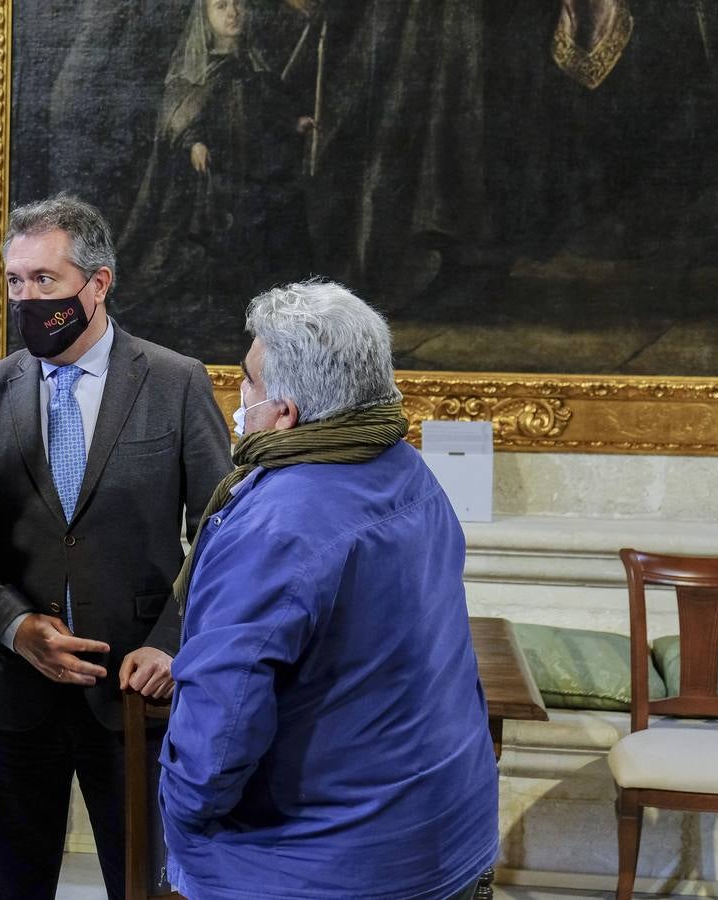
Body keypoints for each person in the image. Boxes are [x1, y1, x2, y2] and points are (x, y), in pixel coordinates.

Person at [0, 193, 233, 899]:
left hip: (136, 692)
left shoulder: (176, 382)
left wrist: (171, 643)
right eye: (14, 281)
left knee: (146, 884)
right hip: (19, 689)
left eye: (45, 280)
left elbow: (222, 532)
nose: (26, 297)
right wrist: (14, 626)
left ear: (97, 285)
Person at [158, 279, 498, 900]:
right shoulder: (408, 468)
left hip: (320, 861)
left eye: (251, 382)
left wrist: (179, 816)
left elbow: (220, 730)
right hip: (445, 827)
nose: (241, 397)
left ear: (285, 413)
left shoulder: (276, 524)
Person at [115, 0, 313, 362]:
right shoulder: (192, 71)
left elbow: (269, 114)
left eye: (239, 5)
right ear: (205, 17)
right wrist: (193, 141)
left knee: (257, 245)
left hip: (251, 178)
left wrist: (293, 124)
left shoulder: (255, 67)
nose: (232, 13)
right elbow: (176, 117)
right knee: (208, 249)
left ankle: (250, 325)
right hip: (209, 183)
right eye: (221, 6)